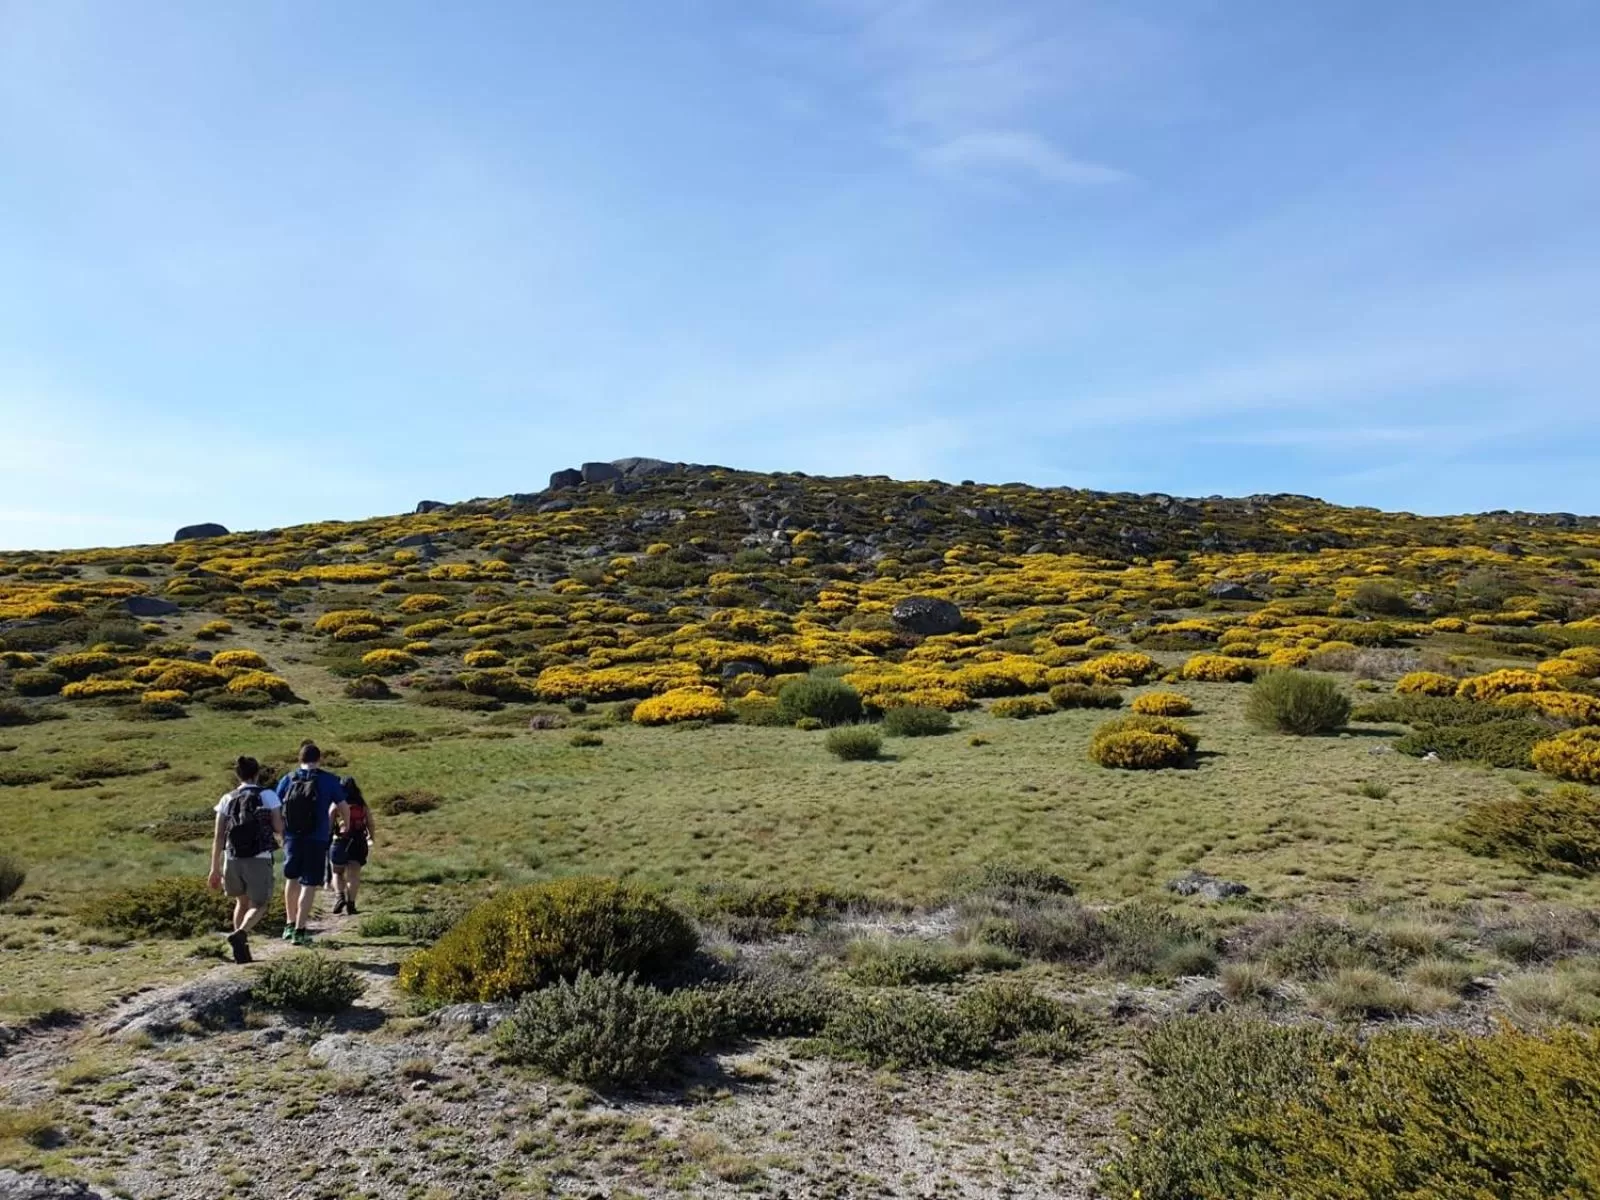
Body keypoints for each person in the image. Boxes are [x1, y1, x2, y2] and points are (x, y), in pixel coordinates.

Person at [207, 756, 283, 964]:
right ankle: (240, 934)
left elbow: (218, 836)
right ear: (257, 773)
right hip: (259, 856)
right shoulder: (268, 795)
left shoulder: (227, 798)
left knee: (241, 901)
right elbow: (278, 827)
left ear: (237, 775)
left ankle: (241, 950)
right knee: (260, 904)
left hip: (232, 857)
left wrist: (214, 868)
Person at [274, 741, 349, 946]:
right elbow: (343, 805)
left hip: (291, 837)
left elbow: (275, 806)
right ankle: (300, 929)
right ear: (319, 759)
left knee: (292, 879)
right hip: (317, 838)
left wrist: (281, 832)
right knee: (309, 883)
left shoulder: (287, 779)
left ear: (300, 759)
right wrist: (346, 825)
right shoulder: (329, 780)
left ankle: (289, 925)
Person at [329, 776, 375, 916]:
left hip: (341, 839)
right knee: (354, 874)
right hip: (359, 840)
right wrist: (371, 836)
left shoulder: (337, 802)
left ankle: (339, 897)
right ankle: (351, 904)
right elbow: (371, 822)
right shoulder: (361, 803)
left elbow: (330, 815)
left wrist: (329, 833)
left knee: (337, 872)